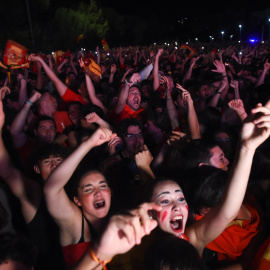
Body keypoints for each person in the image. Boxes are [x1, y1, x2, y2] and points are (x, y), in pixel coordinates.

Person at [144, 99, 270, 259]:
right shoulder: (131, 244)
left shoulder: (192, 238)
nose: (177, 206)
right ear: (149, 213)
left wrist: (248, 147)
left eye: (181, 199)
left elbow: (227, 212)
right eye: (165, 201)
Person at [0, 87, 69, 270]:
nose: (55, 166)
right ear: (37, 169)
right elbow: (7, 171)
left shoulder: (75, 190)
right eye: (48, 162)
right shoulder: (34, 191)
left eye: (58, 161)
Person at [43, 126, 116, 268]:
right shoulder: (75, 224)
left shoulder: (118, 220)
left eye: (102, 186)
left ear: (110, 192)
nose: (98, 192)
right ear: (77, 200)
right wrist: (88, 144)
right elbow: (51, 190)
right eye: (88, 189)